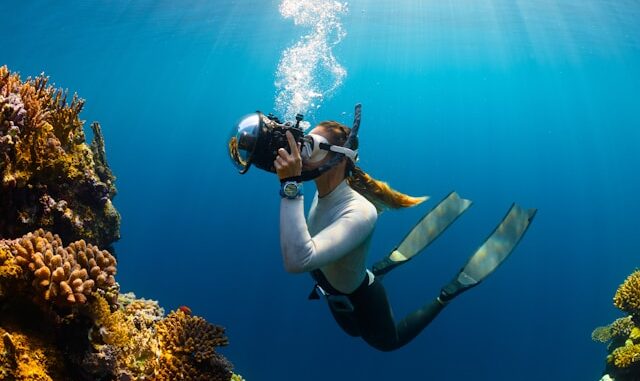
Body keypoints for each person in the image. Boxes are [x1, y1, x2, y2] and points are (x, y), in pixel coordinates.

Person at [273, 119, 535, 351]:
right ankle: (381, 266)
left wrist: (290, 186)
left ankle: (447, 293)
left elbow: (299, 259)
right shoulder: (321, 193)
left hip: (362, 297)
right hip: (330, 286)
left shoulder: (361, 212)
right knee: (353, 332)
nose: (300, 152)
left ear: (339, 157)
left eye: (310, 144)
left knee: (388, 342)